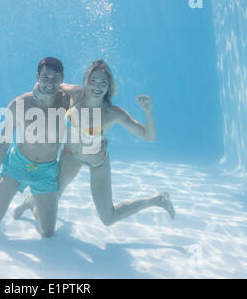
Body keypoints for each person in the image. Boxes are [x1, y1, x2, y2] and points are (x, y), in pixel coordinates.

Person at [14, 59, 175, 227]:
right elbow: (50, 83)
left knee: (108, 218)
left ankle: (157, 200)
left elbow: (149, 136)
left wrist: (148, 112)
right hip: (70, 157)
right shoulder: (75, 94)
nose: (97, 87)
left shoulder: (112, 113)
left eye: (103, 83)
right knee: (50, 200)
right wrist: (36, 91)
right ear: (86, 81)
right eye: (93, 81)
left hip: (97, 162)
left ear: (109, 86)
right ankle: (28, 202)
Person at [0, 57, 71, 237]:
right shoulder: (20, 104)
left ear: (62, 79)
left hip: (46, 171)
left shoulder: (68, 102)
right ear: (37, 77)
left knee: (47, 233)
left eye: (55, 79)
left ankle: (31, 203)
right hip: (17, 165)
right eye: (45, 77)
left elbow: (87, 96)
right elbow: (3, 141)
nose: (49, 83)